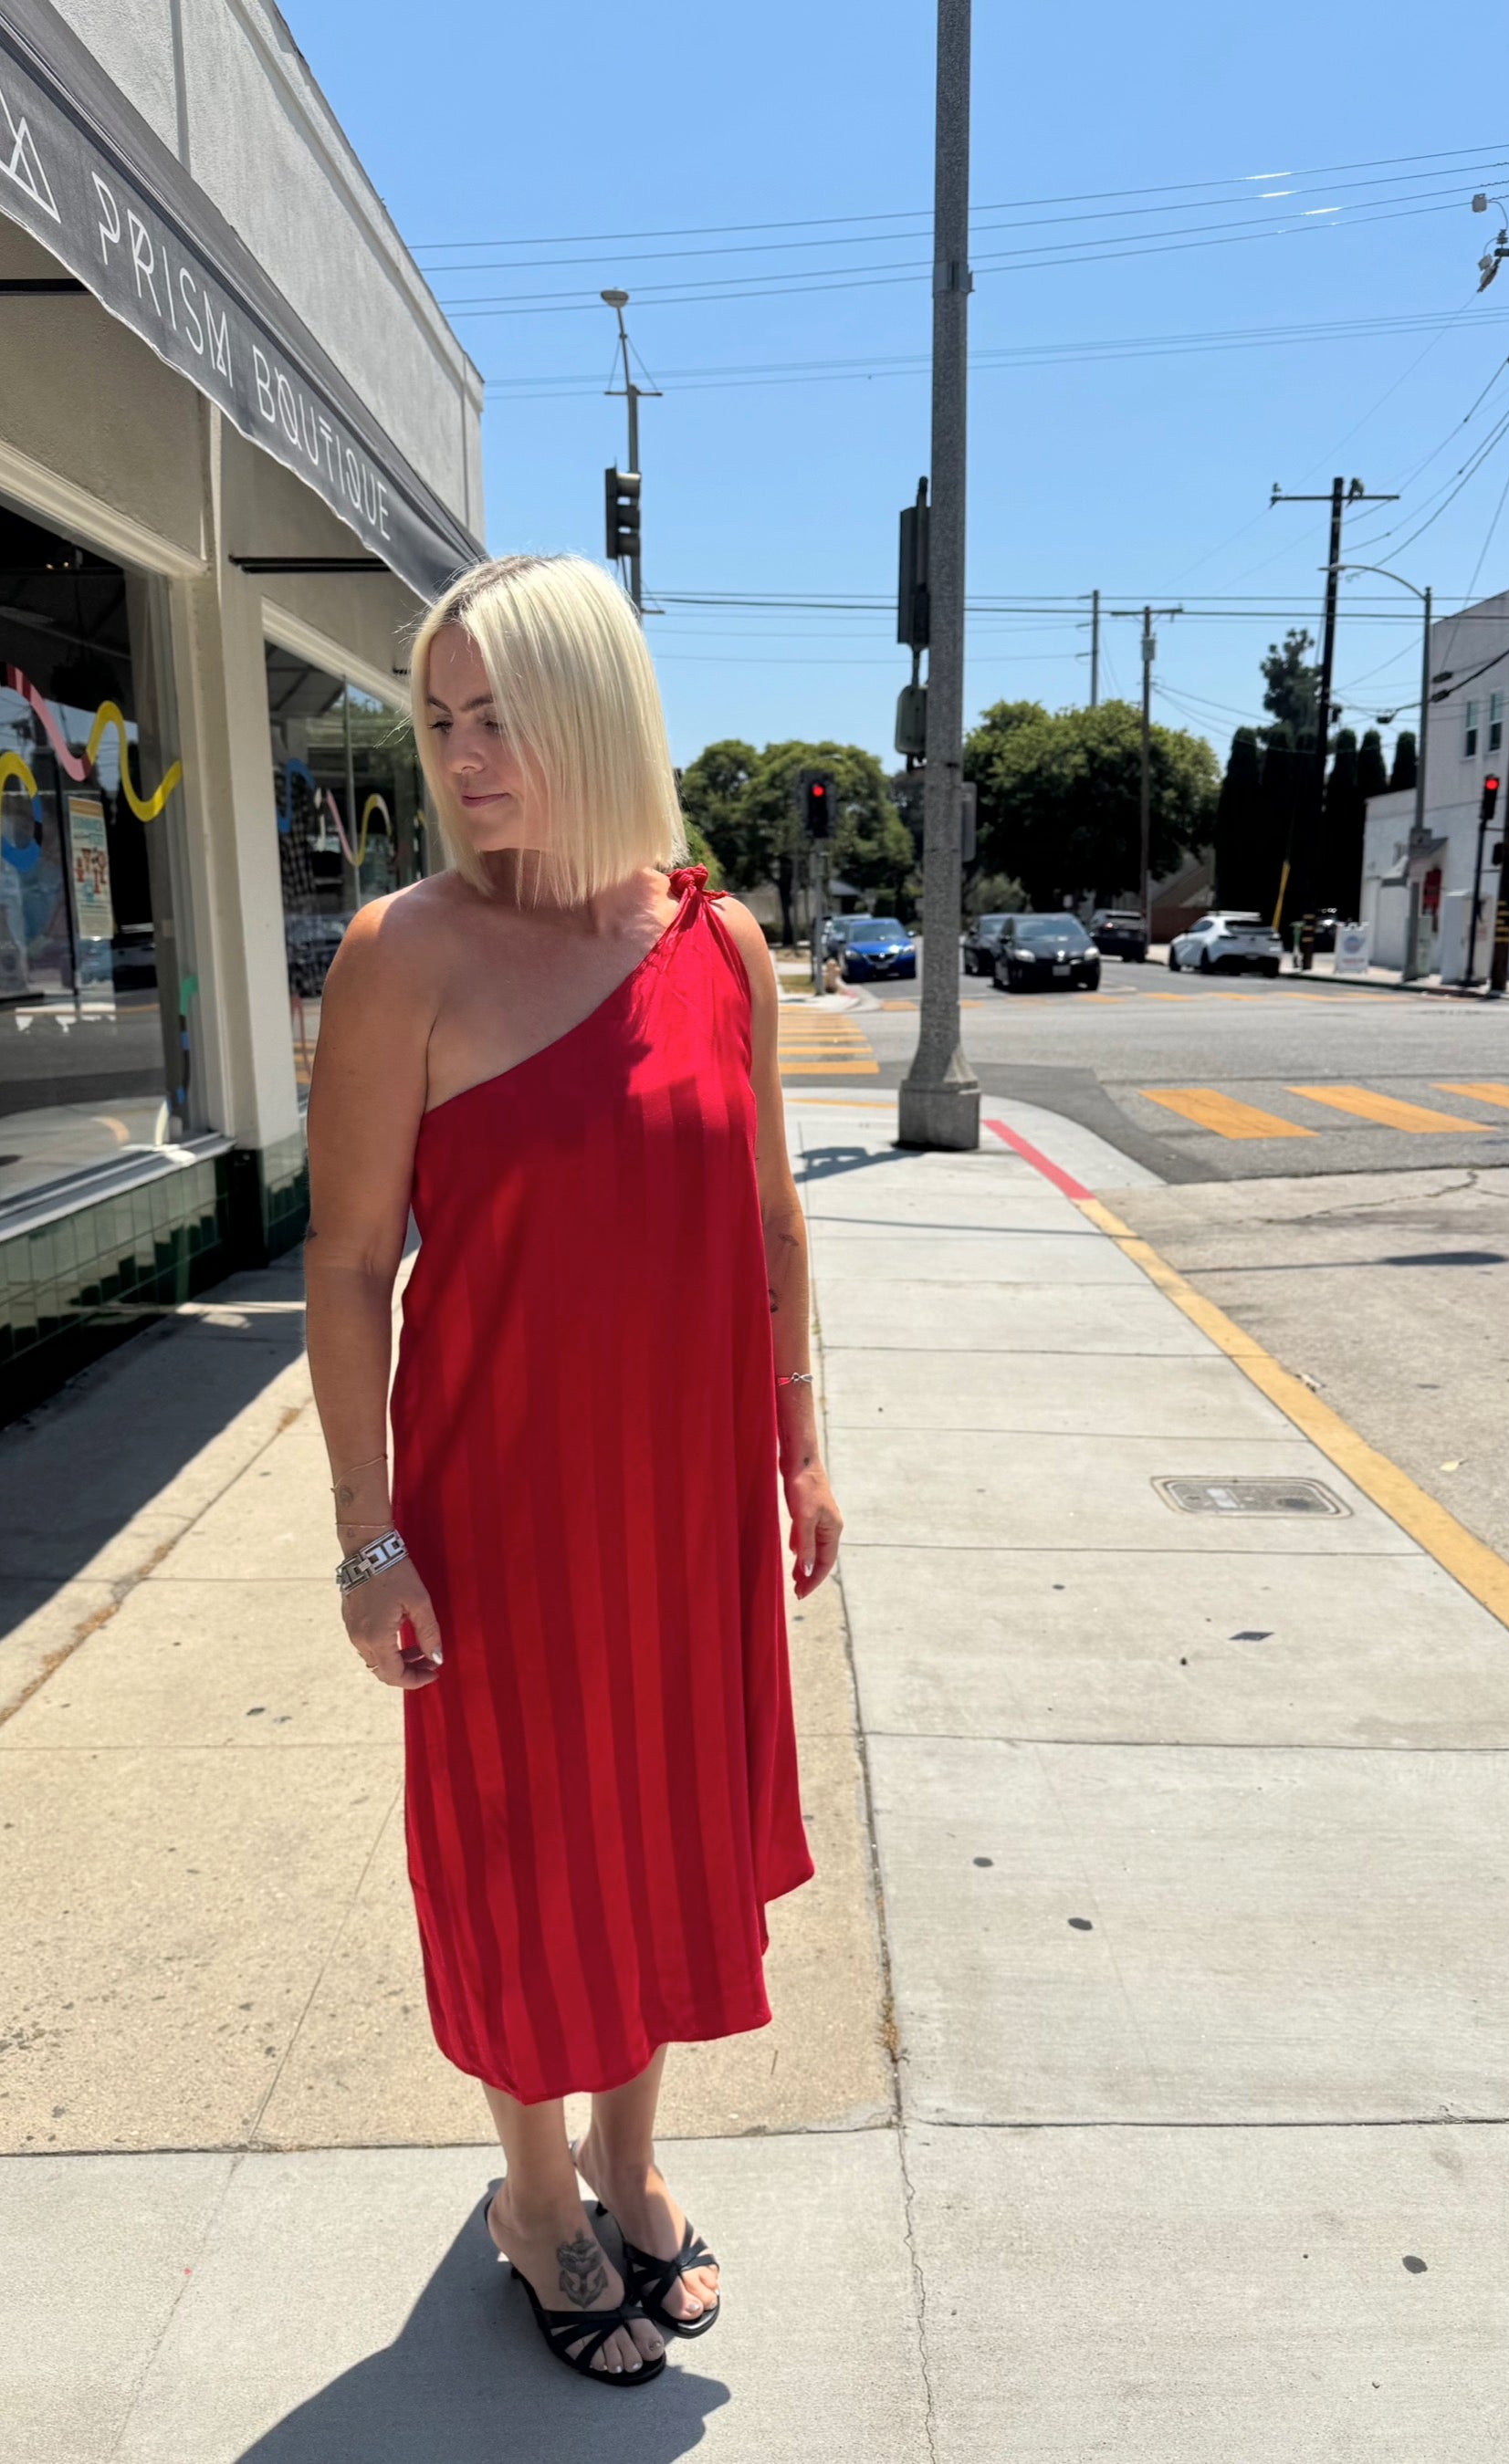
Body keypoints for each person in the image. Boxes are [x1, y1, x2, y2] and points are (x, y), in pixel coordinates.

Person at [302, 553, 842, 2387]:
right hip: (503, 1519)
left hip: (685, 1509)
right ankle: (536, 2197)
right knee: (528, 1862)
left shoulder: (717, 945)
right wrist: (366, 1541)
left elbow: (771, 1222)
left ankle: (627, 2155)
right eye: (441, 721)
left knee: (664, 1835)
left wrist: (799, 1448)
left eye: (501, 719)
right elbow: (348, 1269)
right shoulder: (407, 956)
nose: (464, 757)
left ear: (597, 716)